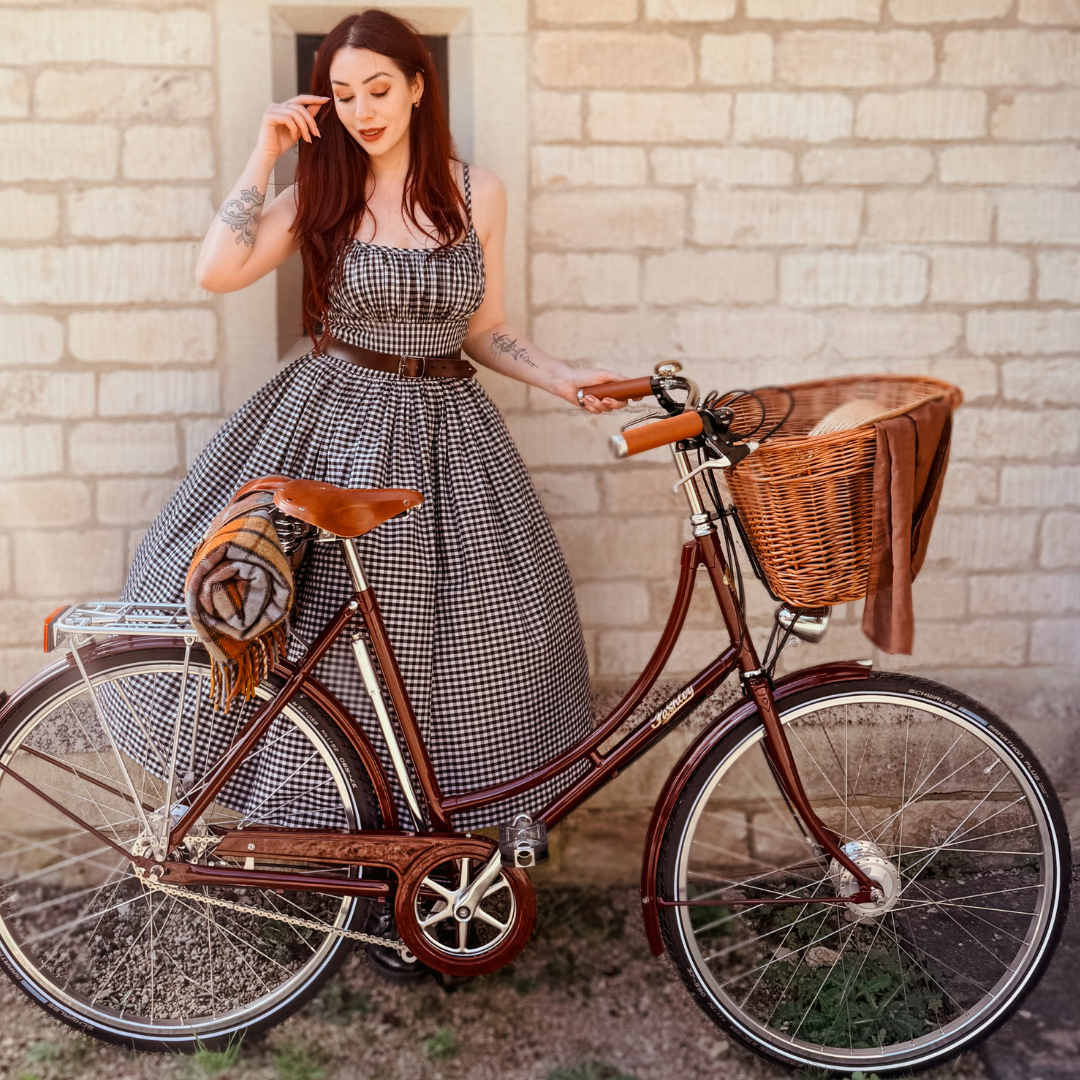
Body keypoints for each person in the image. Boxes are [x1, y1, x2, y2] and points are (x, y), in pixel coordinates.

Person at [121, 8, 627, 970]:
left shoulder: (479, 191)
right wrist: (267, 149)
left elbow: (484, 329)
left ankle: (435, 869)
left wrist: (559, 375)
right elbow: (217, 270)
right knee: (331, 657)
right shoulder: (324, 186)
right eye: (343, 94)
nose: (361, 111)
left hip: (450, 439)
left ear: (420, 84)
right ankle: (335, 880)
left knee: (480, 649)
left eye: (378, 89)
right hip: (333, 431)